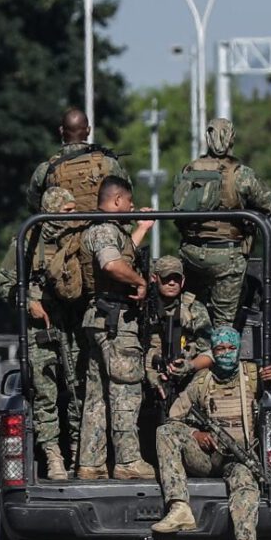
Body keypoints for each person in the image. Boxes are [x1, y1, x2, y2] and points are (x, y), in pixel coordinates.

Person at [150, 326, 271, 540]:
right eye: (220, 349)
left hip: (240, 459)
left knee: (244, 483)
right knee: (165, 433)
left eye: (231, 348)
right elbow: (173, 419)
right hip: (207, 457)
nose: (226, 353)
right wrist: (196, 434)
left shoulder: (254, 376)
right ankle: (179, 507)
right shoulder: (202, 381)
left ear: (238, 349)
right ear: (213, 352)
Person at [76, 176, 156, 480]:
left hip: (99, 319)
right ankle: (128, 461)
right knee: (125, 390)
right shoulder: (107, 229)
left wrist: (141, 230)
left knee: (97, 396)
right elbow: (111, 264)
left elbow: (118, 255)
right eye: (130, 202)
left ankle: (91, 462)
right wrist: (139, 281)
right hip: (115, 322)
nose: (133, 207)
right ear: (118, 200)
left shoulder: (98, 228)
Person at [0, 187, 79, 480]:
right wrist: (28, 302)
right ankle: (53, 456)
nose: (73, 216)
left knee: (77, 391)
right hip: (41, 329)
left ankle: (79, 453)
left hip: (73, 327)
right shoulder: (29, 240)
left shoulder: (78, 237)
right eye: (67, 211)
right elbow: (5, 283)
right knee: (45, 393)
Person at [173, 118, 271, 327]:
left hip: (191, 254)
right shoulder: (240, 174)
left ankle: (186, 313)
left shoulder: (188, 170)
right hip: (227, 257)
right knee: (224, 323)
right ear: (231, 139)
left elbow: (177, 209)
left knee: (189, 303)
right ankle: (222, 354)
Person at [27, 108, 131, 213]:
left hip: (62, 228)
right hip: (103, 227)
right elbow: (127, 196)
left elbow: (34, 205)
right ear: (88, 130)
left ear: (61, 131)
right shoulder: (109, 163)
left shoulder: (45, 170)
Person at [144, 254, 214, 407]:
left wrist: (189, 366)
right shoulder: (144, 307)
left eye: (176, 279)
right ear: (155, 278)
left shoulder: (194, 309)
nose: (171, 283)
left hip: (186, 378)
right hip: (147, 374)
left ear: (182, 281)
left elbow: (209, 353)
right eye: (166, 278)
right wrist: (149, 372)